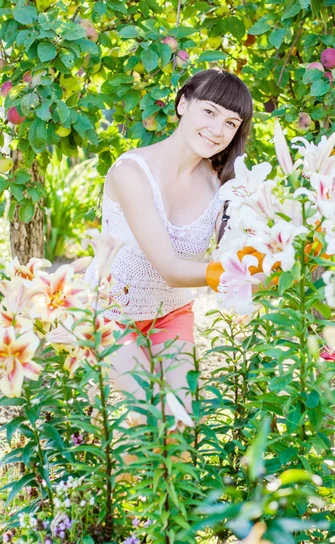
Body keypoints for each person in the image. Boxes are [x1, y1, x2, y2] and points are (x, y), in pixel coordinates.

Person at [85, 68, 255, 423]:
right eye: (209, 112)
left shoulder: (222, 185)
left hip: (171, 315)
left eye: (231, 122)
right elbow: (170, 268)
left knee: (180, 426)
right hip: (111, 315)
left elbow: (242, 249)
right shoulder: (131, 172)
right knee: (146, 421)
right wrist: (242, 275)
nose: (217, 129)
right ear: (183, 104)